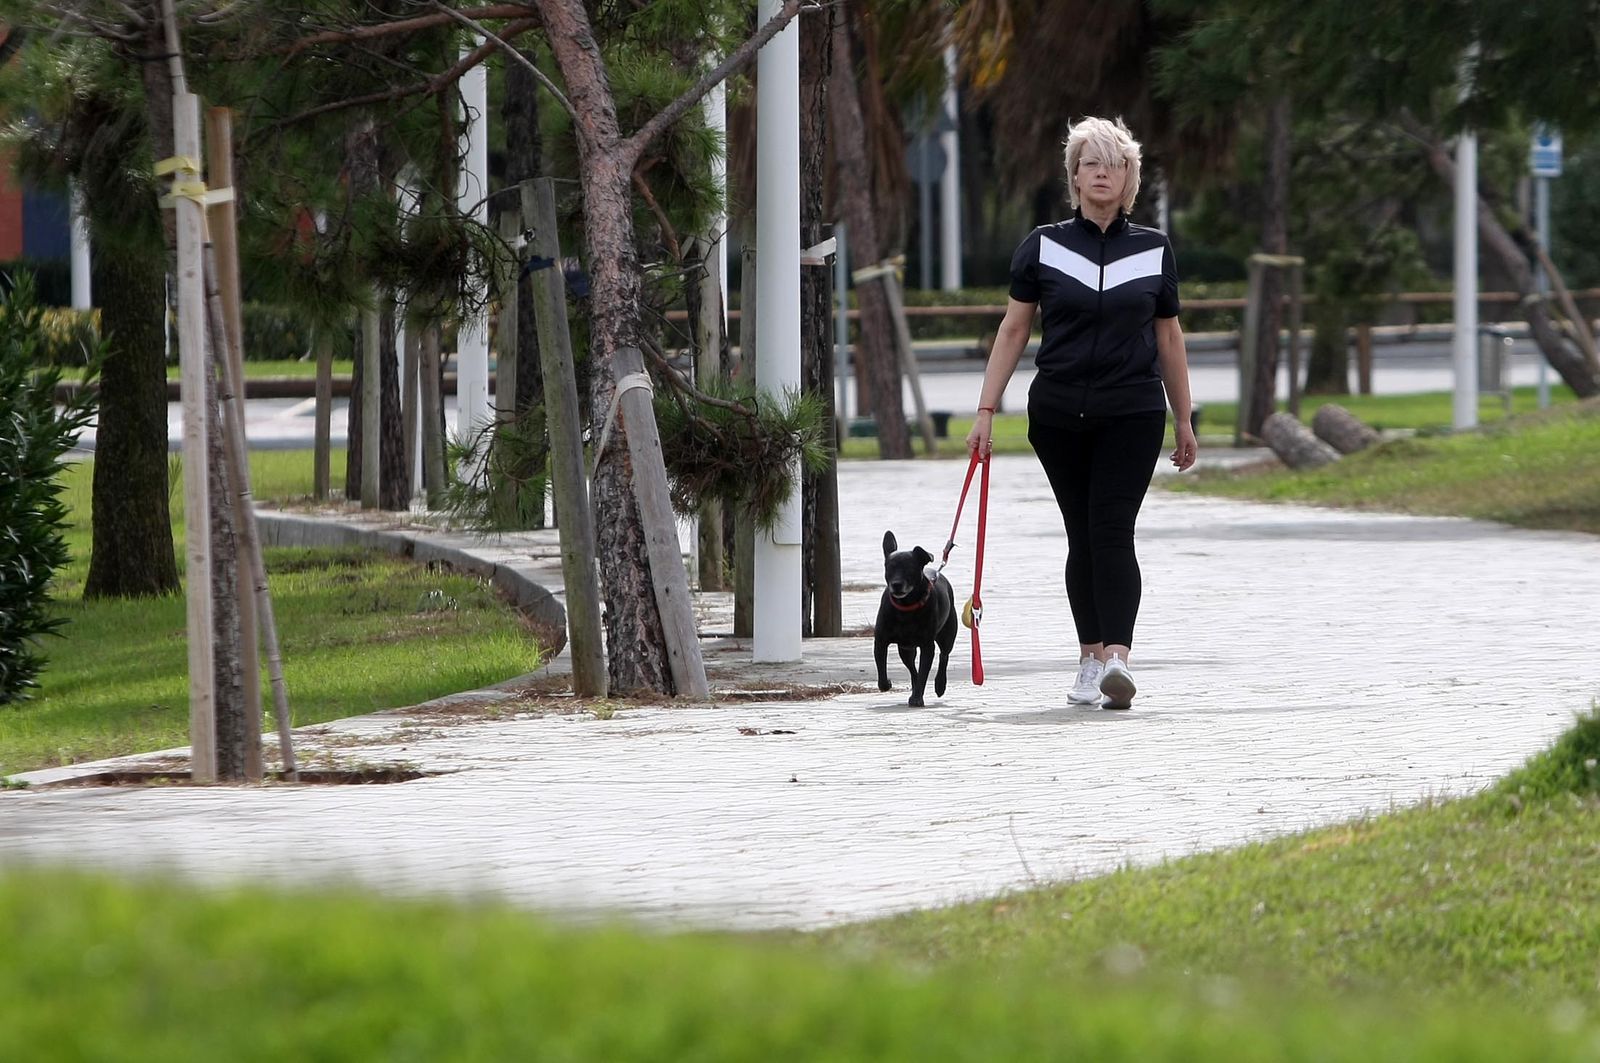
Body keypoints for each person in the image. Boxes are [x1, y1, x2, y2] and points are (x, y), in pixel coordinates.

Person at [965, 116, 1197, 710]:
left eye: (1114, 164)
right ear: (1073, 176)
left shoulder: (1153, 250)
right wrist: (986, 410)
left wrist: (1185, 418)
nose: (1102, 173)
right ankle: (1088, 658)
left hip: (1133, 411)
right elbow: (1014, 328)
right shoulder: (1043, 246)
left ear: (1130, 179)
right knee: (1081, 534)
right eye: (1090, 163)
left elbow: (1169, 338)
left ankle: (1118, 658)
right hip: (1059, 415)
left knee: (1112, 529)